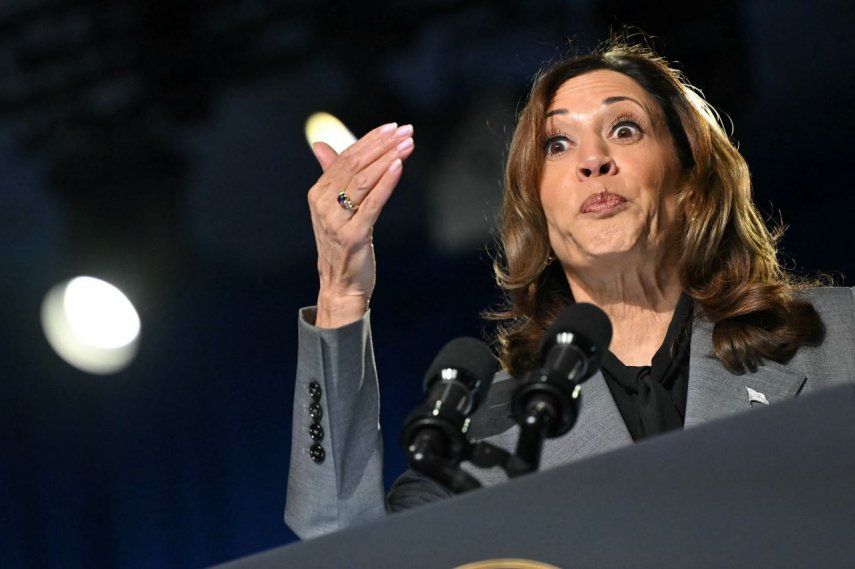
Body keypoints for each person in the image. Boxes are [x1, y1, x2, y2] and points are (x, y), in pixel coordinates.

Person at [284, 38, 855, 539]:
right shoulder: (491, 434)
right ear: (540, 211)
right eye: (558, 144)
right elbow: (342, 546)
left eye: (624, 130)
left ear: (690, 183)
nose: (593, 161)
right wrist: (340, 289)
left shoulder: (838, 339)